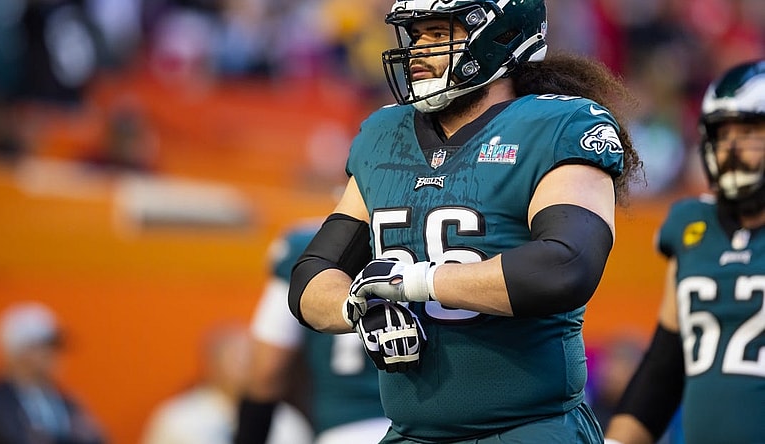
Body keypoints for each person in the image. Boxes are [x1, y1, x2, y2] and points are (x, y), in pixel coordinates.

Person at [286, 1, 641, 443]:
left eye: (438, 35)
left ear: (502, 37)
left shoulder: (558, 124)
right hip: (412, 433)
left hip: (528, 428)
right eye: (416, 36)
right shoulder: (384, 136)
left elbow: (566, 267)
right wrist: (356, 305)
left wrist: (417, 283)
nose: (418, 50)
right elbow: (311, 276)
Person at [604, 59, 765, 444]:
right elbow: (664, 366)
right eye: (723, 135)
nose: (732, 149)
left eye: (748, 132)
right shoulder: (693, 225)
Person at [235, 220, 389, 444]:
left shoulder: (305, 246)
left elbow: (267, 371)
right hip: (430, 429)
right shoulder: (433, 242)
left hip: (345, 430)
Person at [142, 323, 311, 444]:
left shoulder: (286, 421)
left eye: (253, 357)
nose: (247, 365)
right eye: (237, 357)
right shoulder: (178, 419)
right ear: (212, 364)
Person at [0, 302, 106, 444]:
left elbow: (96, 438)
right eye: (47, 347)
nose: (56, 355)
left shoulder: (63, 399)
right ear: (20, 352)